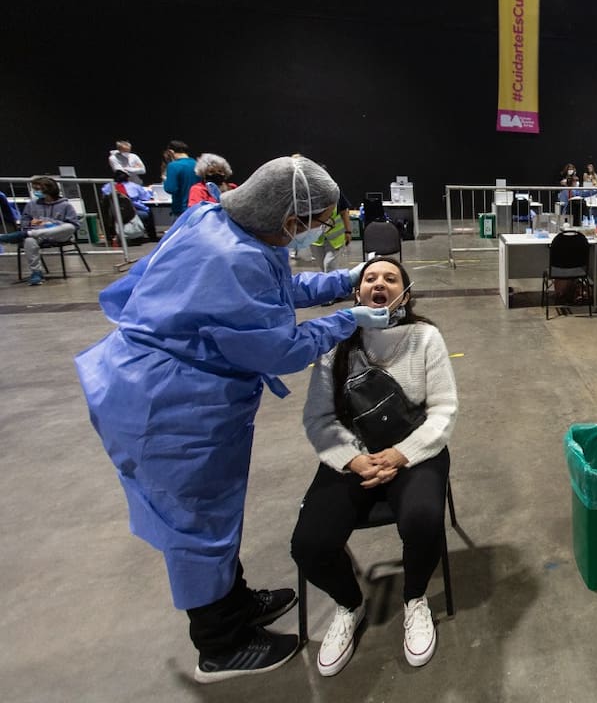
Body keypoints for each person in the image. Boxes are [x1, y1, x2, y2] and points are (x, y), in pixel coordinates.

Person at [75, 156, 392, 683]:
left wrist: (345, 280)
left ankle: (235, 601)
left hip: (165, 385)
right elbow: (278, 347)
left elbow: (272, 291)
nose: (312, 232)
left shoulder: (219, 222)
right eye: (312, 223)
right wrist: (346, 320)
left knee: (216, 516)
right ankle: (220, 645)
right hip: (168, 405)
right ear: (289, 218)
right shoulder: (233, 256)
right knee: (196, 523)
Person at [292, 257, 456, 675]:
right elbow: (319, 419)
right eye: (370, 278)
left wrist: (403, 453)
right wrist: (352, 458)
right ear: (357, 292)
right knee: (309, 545)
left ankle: (414, 598)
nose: (379, 284)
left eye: (390, 278)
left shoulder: (425, 337)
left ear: (405, 291)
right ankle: (349, 604)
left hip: (413, 451)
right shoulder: (335, 343)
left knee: (422, 520)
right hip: (354, 454)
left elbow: (442, 410)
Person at [0, 175, 81, 285]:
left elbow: (74, 225)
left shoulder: (65, 205)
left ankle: (24, 234)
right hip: (38, 235)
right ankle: (36, 272)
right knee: (29, 240)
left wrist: (52, 223)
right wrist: (39, 223)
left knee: (69, 227)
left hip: (58, 234)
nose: (35, 192)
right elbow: (25, 221)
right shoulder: (32, 204)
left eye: (37, 189)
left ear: (48, 189)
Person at [102, 168, 159, 241]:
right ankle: (152, 236)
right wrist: (150, 190)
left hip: (114, 213)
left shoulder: (107, 187)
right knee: (148, 212)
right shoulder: (134, 186)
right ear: (128, 177)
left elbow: (104, 197)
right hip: (132, 212)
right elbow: (146, 197)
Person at [311, 191, 353, 274]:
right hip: (316, 239)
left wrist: (348, 232)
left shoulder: (336, 192)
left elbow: (344, 212)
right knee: (323, 268)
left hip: (335, 240)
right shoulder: (308, 195)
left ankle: (330, 286)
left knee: (329, 266)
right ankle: (330, 283)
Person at [162, 140, 197, 216]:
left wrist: (165, 180)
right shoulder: (197, 164)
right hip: (197, 207)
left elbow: (170, 189)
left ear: (171, 152)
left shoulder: (173, 166)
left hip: (181, 209)